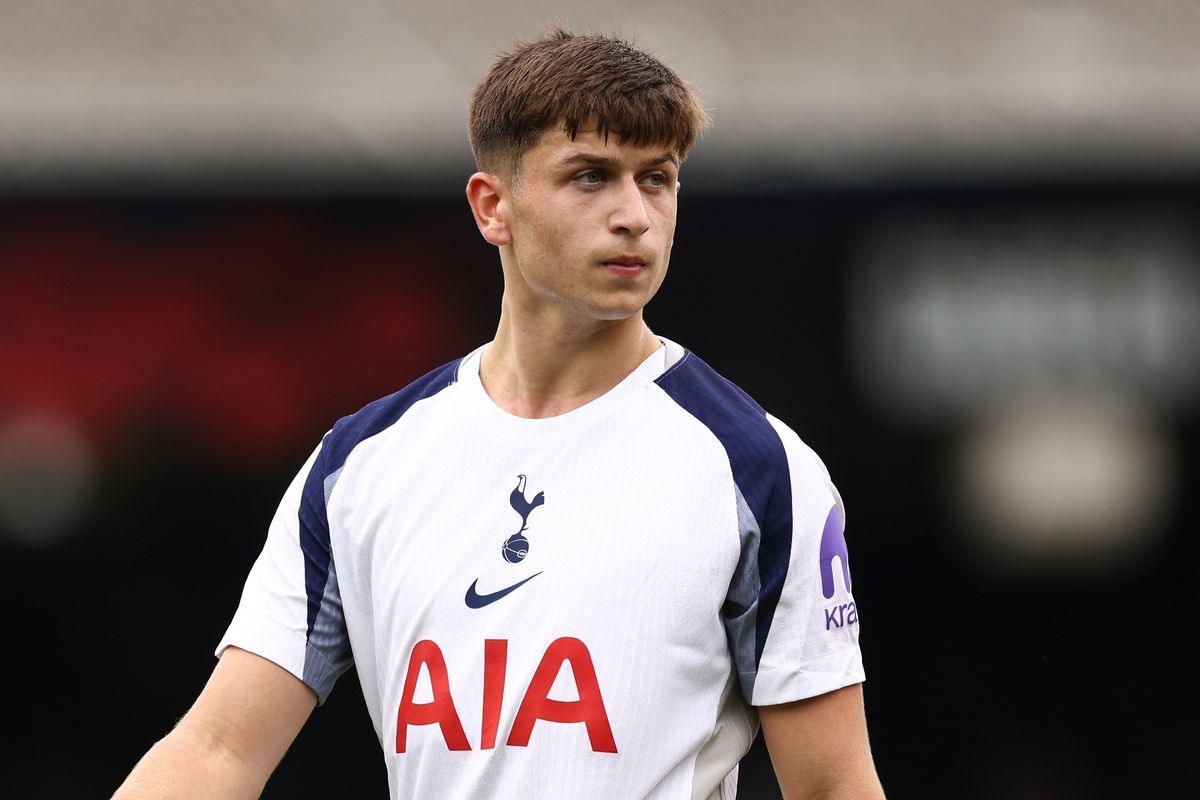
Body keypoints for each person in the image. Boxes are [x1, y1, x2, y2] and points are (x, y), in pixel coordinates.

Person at [113, 29, 885, 800]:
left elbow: (833, 787)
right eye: (591, 177)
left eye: (657, 179)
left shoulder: (758, 467)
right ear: (493, 207)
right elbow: (217, 751)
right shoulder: (359, 464)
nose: (634, 216)